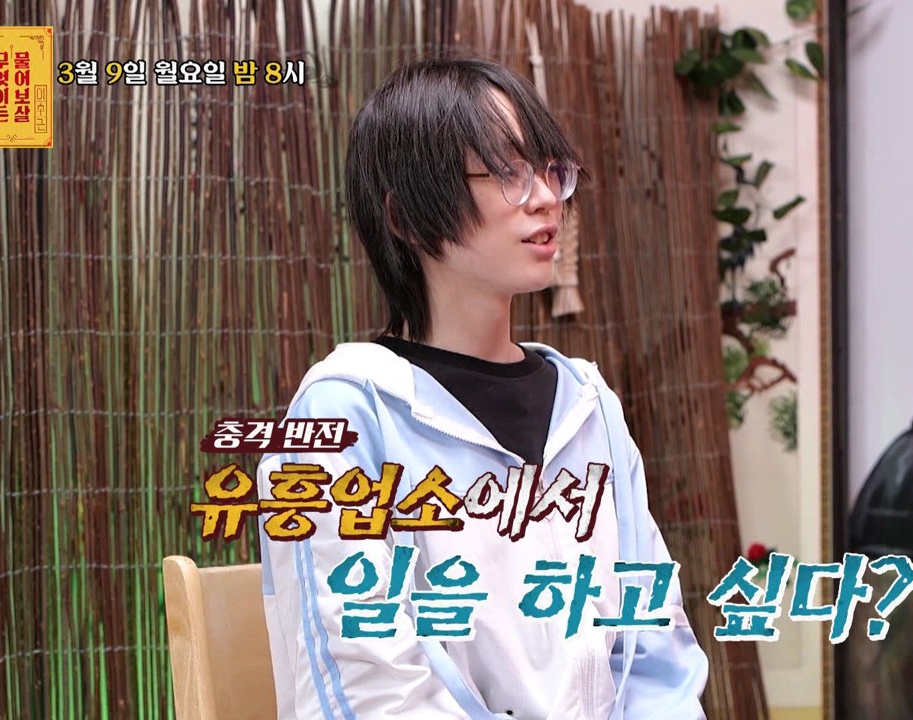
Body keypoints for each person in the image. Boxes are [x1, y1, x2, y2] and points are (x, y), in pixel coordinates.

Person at [256, 56, 709, 720]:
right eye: (506, 171)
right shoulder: (344, 417)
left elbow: (653, 653)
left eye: (551, 169)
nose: (547, 197)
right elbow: (370, 691)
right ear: (407, 218)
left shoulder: (590, 408)